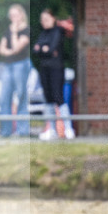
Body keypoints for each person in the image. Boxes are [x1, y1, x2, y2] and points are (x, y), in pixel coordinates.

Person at [33, 9, 74, 140]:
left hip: (56, 69)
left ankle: (68, 128)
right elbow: (36, 49)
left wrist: (44, 50)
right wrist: (44, 50)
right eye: (42, 20)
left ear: (53, 19)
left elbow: (50, 49)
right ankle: (51, 129)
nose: (43, 22)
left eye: (46, 19)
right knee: (48, 98)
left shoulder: (58, 31)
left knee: (58, 97)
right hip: (44, 69)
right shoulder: (43, 34)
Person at [0, 3, 32, 137]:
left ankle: (22, 131)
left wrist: (14, 32)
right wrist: (10, 51)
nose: (13, 18)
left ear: (22, 15)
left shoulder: (25, 30)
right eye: (11, 15)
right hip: (8, 66)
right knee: (4, 98)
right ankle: (5, 131)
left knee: (21, 96)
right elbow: (1, 49)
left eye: (15, 15)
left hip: (21, 65)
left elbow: (17, 47)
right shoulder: (8, 29)